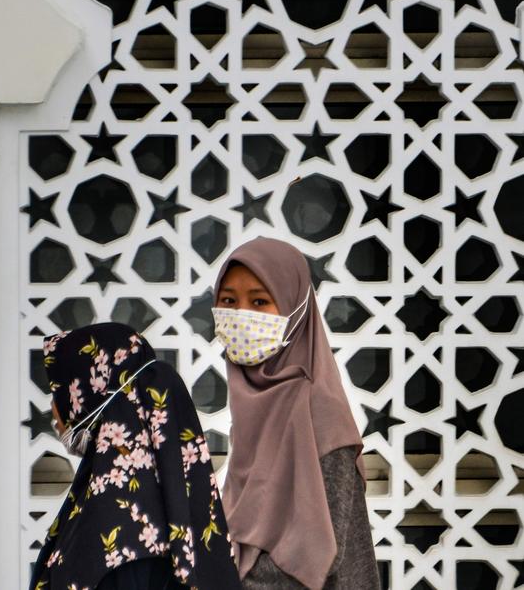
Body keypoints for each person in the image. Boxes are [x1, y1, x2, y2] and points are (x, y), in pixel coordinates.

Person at [212, 236, 380, 590]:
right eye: (229, 301)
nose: (242, 315)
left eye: (260, 301)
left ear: (295, 307)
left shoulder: (319, 411)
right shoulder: (252, 403)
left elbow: (319, 551)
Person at [30, 322, 242, 590]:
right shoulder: (145, 510)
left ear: (85, 398)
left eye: (58, 392)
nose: (52, 407)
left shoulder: (120, 529)